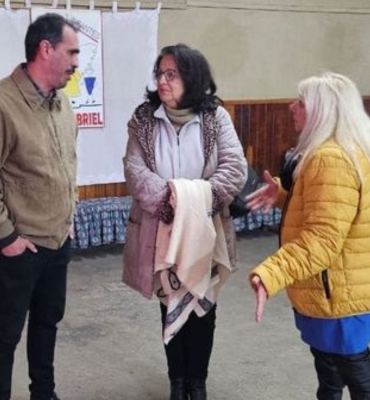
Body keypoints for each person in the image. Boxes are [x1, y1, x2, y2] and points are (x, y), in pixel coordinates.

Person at [247, 72, 370, 400]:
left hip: (341, 291)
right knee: (331, 369)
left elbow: (321, 241)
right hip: (350, 284)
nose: (292, 107)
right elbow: (335, 210)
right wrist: (283, 196)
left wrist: (270, 274)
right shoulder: (354, 147)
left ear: (324, 111)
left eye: (301, 102)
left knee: (352, 370)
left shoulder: (331, 159)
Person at [0, 13, 80, 400]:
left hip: (57, 241)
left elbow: (66, 166)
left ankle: (44, 393)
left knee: (47, 324)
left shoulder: (62, 104)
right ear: (46, 49)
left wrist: (68, 219)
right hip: (16, 246)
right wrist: (6, 237)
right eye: (72, 52)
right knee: (6, 333)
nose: (77, 62)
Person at [122, 44, 247, 400]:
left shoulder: (215, 118)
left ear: (192, 78)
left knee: (203, 308)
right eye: (160, 73)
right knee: (169, 304)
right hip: (162, 232)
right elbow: (135, 172)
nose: (162, 81)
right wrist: (175, 203)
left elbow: (234, 168)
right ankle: (177, 382)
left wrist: (197, 204)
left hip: (207, 231)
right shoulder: (144, 119)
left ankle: (197, 382)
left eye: (171, 74)